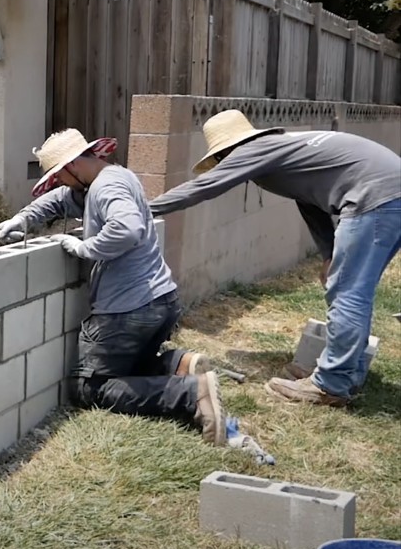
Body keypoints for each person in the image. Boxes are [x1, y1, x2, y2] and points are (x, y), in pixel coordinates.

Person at [148, 109, 401, 407]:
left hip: (375, 198)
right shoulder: (283, 149)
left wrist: (143, 208)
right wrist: (328, 254)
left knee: (348, 293)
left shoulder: (253, 149)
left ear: (226, 152)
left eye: (220, 160)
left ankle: (330, 385)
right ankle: (347, 373)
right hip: (388, 194)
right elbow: (311, 202)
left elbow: (203, 187)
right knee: (353, 291)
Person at [0, 129, 227, 444]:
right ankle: (178, 365)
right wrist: (23, 219)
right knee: (126, 368)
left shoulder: (105, 187)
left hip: (128, 310)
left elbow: (127, 229)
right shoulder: (112, 177)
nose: (60, 183)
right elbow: (61, 200)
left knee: (90, 387)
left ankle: (191, 393)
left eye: (59, 176)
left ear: (72, 166)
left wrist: (85, 248)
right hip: (160, 299)